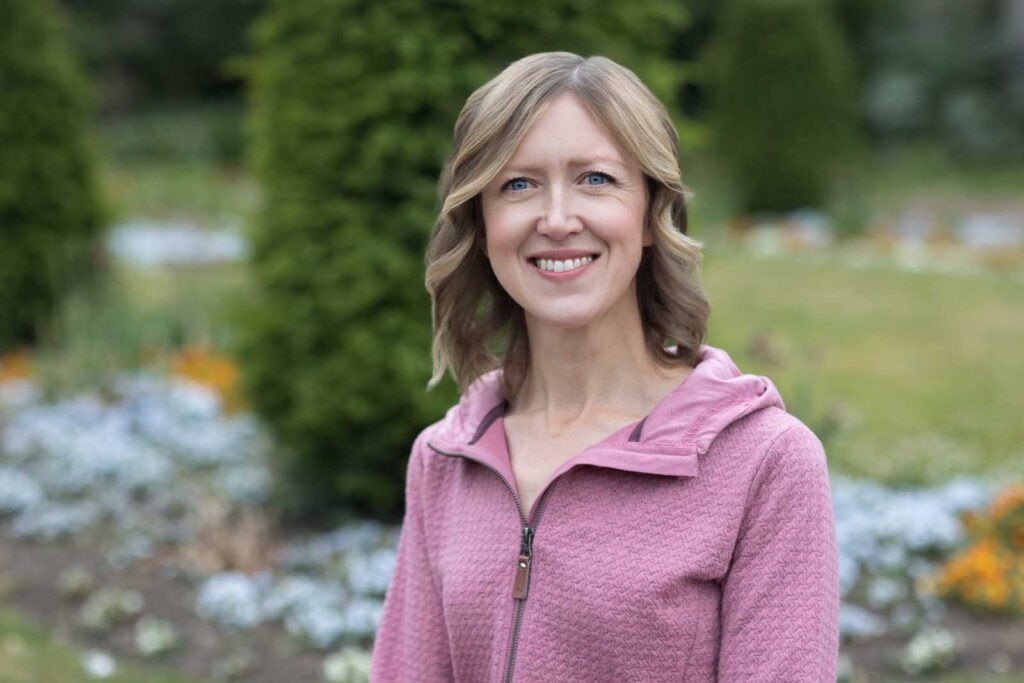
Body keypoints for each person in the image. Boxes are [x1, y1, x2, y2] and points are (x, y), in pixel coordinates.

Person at [370, 51, 839, 682]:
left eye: (595, 179)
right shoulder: (446, 459)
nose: (558, 219)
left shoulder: (764, 463)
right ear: (482, 225)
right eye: (518, 184)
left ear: (651, 214)